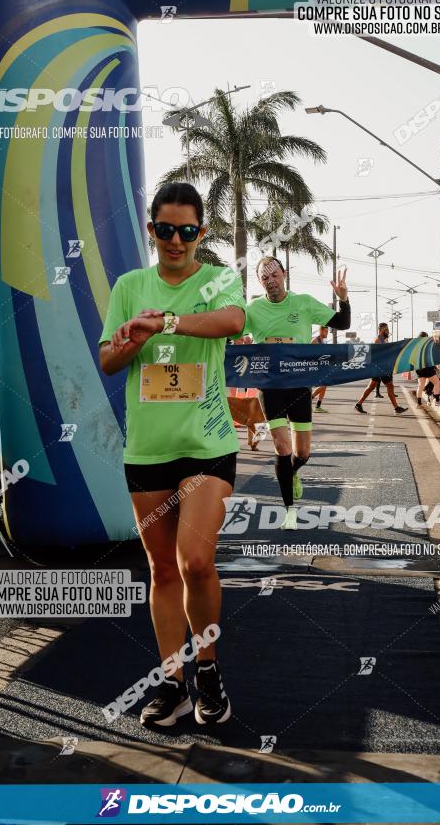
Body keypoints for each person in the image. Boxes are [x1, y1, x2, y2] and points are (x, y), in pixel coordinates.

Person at [99, 182, 245, 729]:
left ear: (202, 233)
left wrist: (164, 322)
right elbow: (109, 363)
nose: (176, 241)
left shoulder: (217, 279)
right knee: (162, 570)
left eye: (187, 231)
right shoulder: (129, 285)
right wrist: (132, 338)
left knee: (195, 561)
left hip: (207, 446)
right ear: (151, 230)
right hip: (148, 450)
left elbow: (231, 322)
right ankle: (172, 681)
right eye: (165, 230)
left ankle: (207, 669)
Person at [244, 257, 351, 531]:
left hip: (299, 387)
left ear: (284, 274)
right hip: (270, 388)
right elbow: (232, 333)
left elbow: (343, 323)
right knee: (281, 446)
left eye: (274, 274)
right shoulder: (253, 309)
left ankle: (293, 471)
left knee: (302, 453)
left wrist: (343, 299)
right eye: (264, 277)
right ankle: (289, 511)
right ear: (260, 282)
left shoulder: (303, 303)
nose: (270, 280)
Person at [354, 322, 408, 415]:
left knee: (371, 387)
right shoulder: (378, 340)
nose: (388, 331)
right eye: (386, 329)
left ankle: (359, 404)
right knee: (390, 386)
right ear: (382, 330)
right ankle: (396, 408)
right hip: (381, 368)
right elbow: (376, 354)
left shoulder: (384, 340)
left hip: (381, 367)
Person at [415, 331, 440, 406]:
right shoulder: (429, 345)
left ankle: (419, 403)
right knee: (437, 383)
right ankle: (437, 400)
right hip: (428, 367)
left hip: (419, 368)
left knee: (420, 385)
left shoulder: (416, 346)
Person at [311, 325, 329, 413]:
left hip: (322, 367)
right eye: (326, 331)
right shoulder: (315, 341)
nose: (327, 333)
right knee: (324, 385)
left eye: (327, 331)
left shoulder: (323, 341)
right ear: (321, 331)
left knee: (325, 386)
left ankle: (318, 406)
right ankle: (309, 399)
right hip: (316, 367)